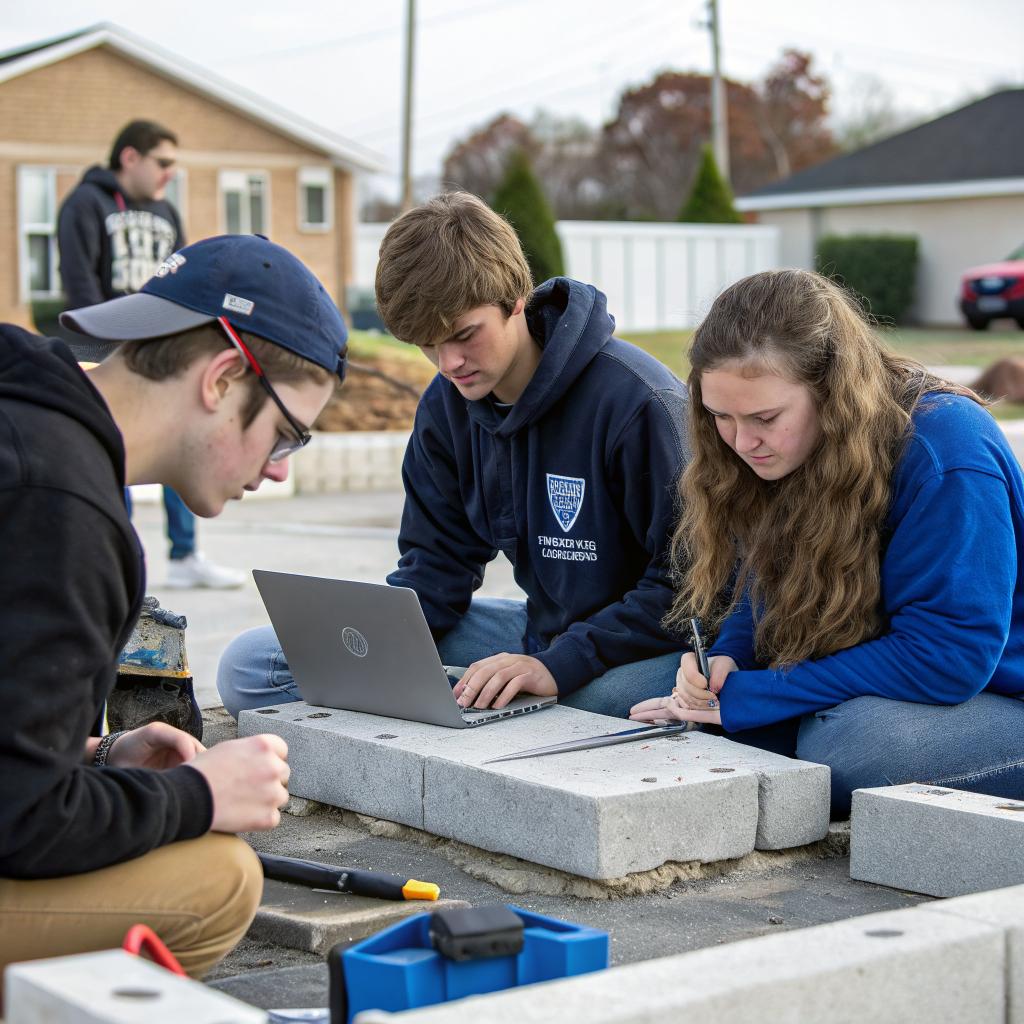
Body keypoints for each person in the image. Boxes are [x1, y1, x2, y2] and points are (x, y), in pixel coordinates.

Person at [0, 234, 347, 984]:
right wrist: (194, 795)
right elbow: (21, 824)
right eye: (287, 433)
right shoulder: (60, 509)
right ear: (223, 378)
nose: (280, 467)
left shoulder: (25, 417)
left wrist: (88, 758)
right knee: (218, 880)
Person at [218, 190, 689, 720]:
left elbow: (693, 589)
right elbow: (435, 567)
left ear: (516, 298)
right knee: (254, 664)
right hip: (539, 634)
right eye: (427, 344)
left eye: (465, 335)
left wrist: (562, 664)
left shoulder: (638, 401)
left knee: (592, 703)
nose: (448, 363)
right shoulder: (447, 407)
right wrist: (383, 646)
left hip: (649, 649)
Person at [630, 268, 1024, 818]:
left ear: (831, 390)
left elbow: (949, 656)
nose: (743, 442)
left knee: (847, 748)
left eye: (765, 417)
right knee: (623, 702)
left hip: (996, 694)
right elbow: (765, 578)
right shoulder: (784, 446)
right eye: (721, 417)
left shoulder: (946, 450)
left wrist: (760, 696)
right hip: (877, 680)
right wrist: (728, 658)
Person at [57, 118, 243, 589]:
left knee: (179, 439)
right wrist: (104, 349)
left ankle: (184, 557)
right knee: (114, 448)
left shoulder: (166, 212)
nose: (169, 174)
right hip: (103, 351)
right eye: (162, 162)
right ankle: (112, 561)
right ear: (130, 157)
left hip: (157, 351)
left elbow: (176, 282)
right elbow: (79, 284)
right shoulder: (85, 203)